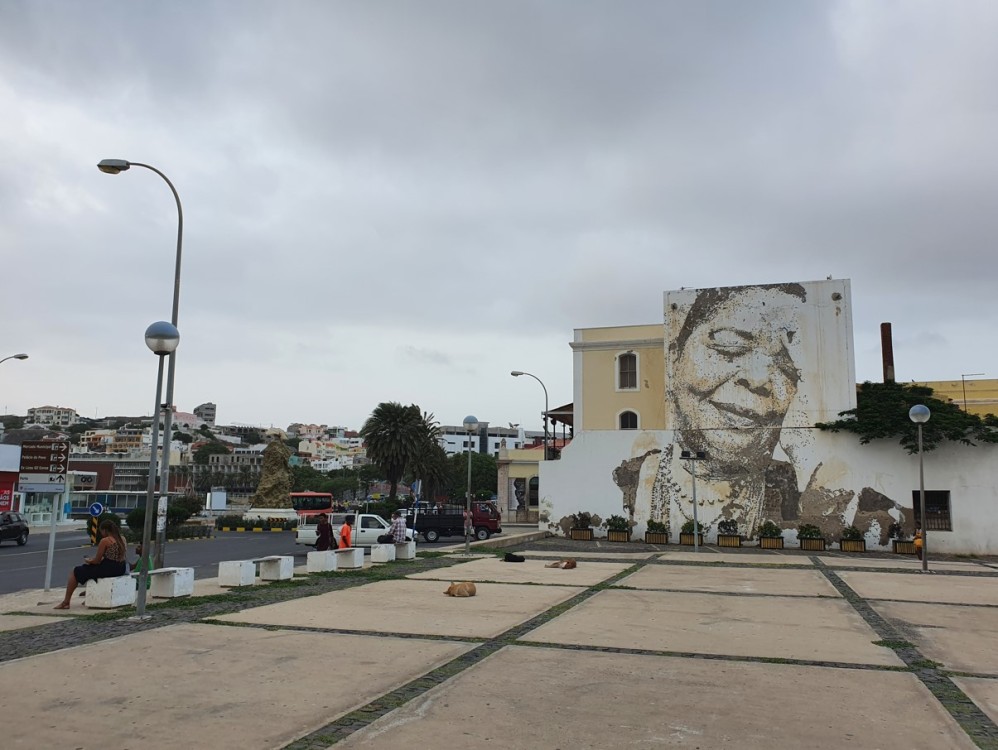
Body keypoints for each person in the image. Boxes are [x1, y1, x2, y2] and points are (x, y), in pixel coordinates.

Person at [55, 520, 127, 609]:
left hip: (108, 569)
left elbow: (97, 560)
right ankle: (88, 594)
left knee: (75, 571)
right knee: (91, 570)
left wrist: (89, 561)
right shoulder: (122, 539)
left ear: (105, 530)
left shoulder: (105, 541)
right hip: (120, 568)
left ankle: (66, 602)